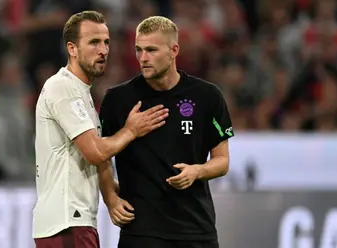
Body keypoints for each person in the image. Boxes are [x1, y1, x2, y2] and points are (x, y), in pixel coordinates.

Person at [32, 11, 169, 248]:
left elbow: (90, 163)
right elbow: (95, 152)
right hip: (67, 223)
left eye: (106, 42)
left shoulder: (80, 93)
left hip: (73, 223)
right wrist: (131, 130)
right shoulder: (63, 88)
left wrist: (126, 191)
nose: (103, 50)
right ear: (72, 49)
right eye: (94, 42)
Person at [99, 16, 234, 248]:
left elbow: (222, 161)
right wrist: (110, 198)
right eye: (138, 50)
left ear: (174, 50)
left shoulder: (207, 96)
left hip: (195, 230)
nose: (143, 58)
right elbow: (101, 156)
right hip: (141, 231)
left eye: (151, 50)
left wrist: (197, 171)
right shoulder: (118, 99)